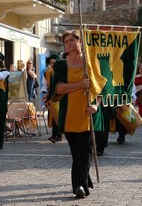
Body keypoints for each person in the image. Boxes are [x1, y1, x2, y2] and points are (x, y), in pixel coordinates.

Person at [48, 30, 97, 198]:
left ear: (79, 42)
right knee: (77, 153)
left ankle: (79, 187)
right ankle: (84, 179)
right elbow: (59, 88)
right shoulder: (61, 65)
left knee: (84, 152)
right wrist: (80, 84)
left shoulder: (90, 62)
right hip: (68, 115)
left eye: (71, 40)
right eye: (66, 41)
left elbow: (100, 88)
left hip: (86, 114)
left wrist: (96, 106)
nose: (68, 43)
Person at [42, 53, 62, 143]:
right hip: (51, 97)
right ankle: (56, 135)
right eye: (51, 63)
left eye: (54, 63)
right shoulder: (47, 73)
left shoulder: (62, 72)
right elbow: (44, 85)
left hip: (61, 97)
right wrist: (45, 93)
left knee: (59, 116)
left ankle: (58, 134)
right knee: (54, 117)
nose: (52, 64)